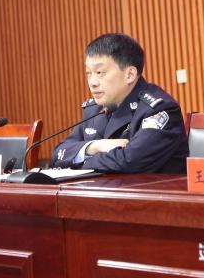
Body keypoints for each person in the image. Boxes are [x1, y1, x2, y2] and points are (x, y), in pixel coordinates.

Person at [51, 33, 188, 173]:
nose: (92, 82)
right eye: (89, 73)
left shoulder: (160, 109)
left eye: (100, 72)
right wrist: (94, 146)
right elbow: (58, 155)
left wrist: (80, 161)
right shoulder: (95, 110)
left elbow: (130, 161)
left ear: (129, 75)